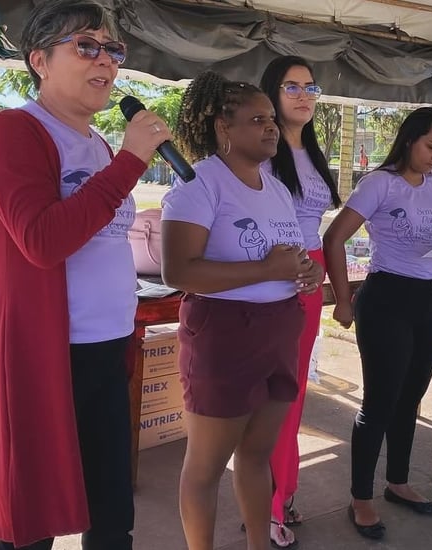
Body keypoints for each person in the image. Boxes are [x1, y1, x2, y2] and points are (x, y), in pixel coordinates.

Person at [0, 1, 168, 548]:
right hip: (46, 355)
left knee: (111, 516)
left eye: (113, 49)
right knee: (32, 520)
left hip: (106, 352)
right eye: (85, 45)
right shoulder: (13, 132)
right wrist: (130, 164)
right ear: (39, 60)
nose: (105, 59)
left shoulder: (98, 144)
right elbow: (42, 242)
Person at [160, 71, 323, 550]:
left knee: (256, 455)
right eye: (257, 120)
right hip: (224, 335)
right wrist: (266, 269)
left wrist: (306, 274)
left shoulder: (273, 188)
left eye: (271, 118)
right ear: (222, 128)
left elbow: (288, 257)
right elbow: (179, 272)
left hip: (278, 330)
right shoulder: (198, 184)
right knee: (206, 466)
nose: (271, 128)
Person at [323, 107, 432, 540]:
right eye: (431, 147)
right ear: (409, 139)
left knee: (410, 399)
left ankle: (397, 482)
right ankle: (360, 497)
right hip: (387, 298)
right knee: (379, 404)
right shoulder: (380, 183)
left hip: (431, 299)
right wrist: (342, 300)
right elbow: (334, 237)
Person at [259, 55, 342, 547]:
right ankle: (267, 502)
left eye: (310, 87)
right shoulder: (260, 149)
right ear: (271, 92)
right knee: (271, 396)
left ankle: (283, 491)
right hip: (272, 275)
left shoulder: (311, 151)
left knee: (291, 396)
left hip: (309, 277)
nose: (303, 95)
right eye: (291, 87)